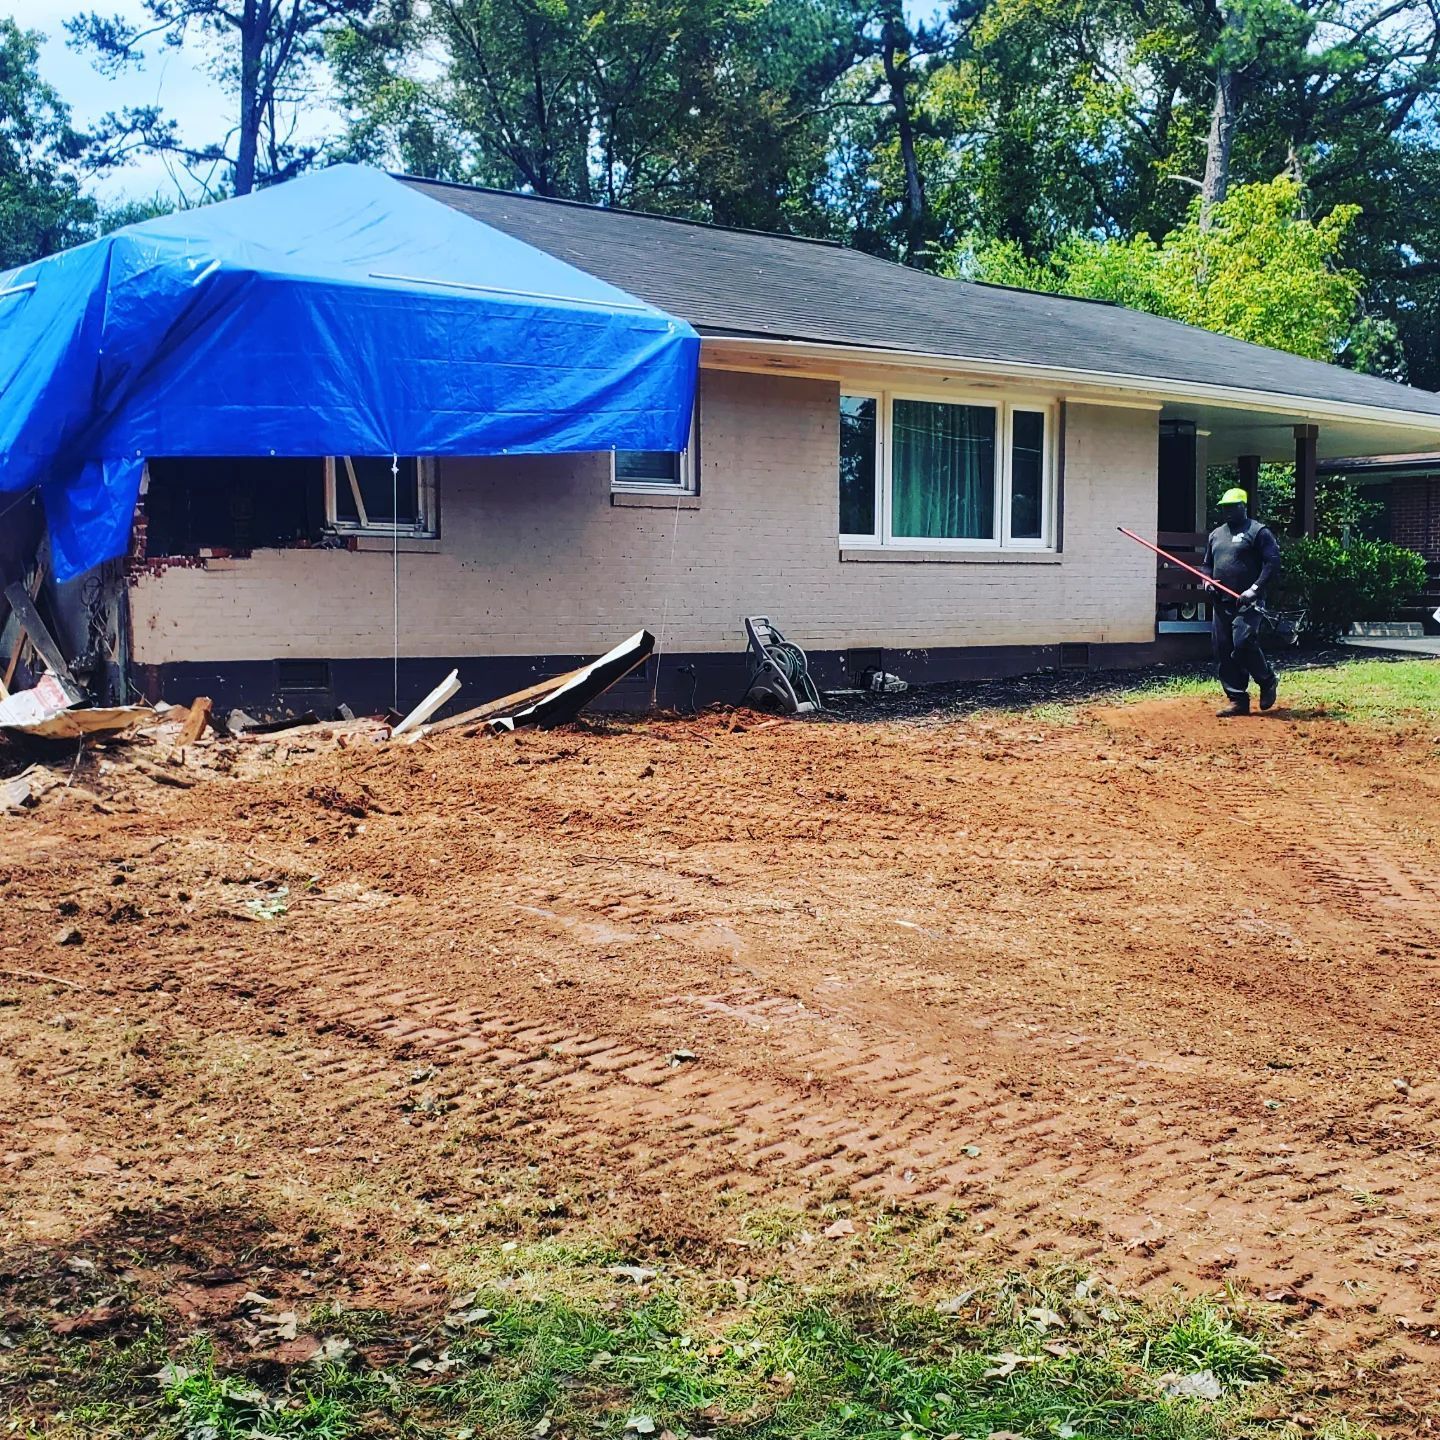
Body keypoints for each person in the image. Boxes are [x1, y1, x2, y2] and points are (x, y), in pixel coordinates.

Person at [1201, 487, 1281, 718]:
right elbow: (1207, 564)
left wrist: (1254, 589)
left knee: (1243, 641)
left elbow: (1272, 562)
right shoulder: (1216, 534)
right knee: (1223, 649)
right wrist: (1206, 581)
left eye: (1231, 507)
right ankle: (1237, 699)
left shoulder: (1258, 532)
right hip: (1221, 601)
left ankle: (1266, 680)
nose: (1227, 512)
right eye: (1223, 508)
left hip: (1248, 602)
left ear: (1243, 507)